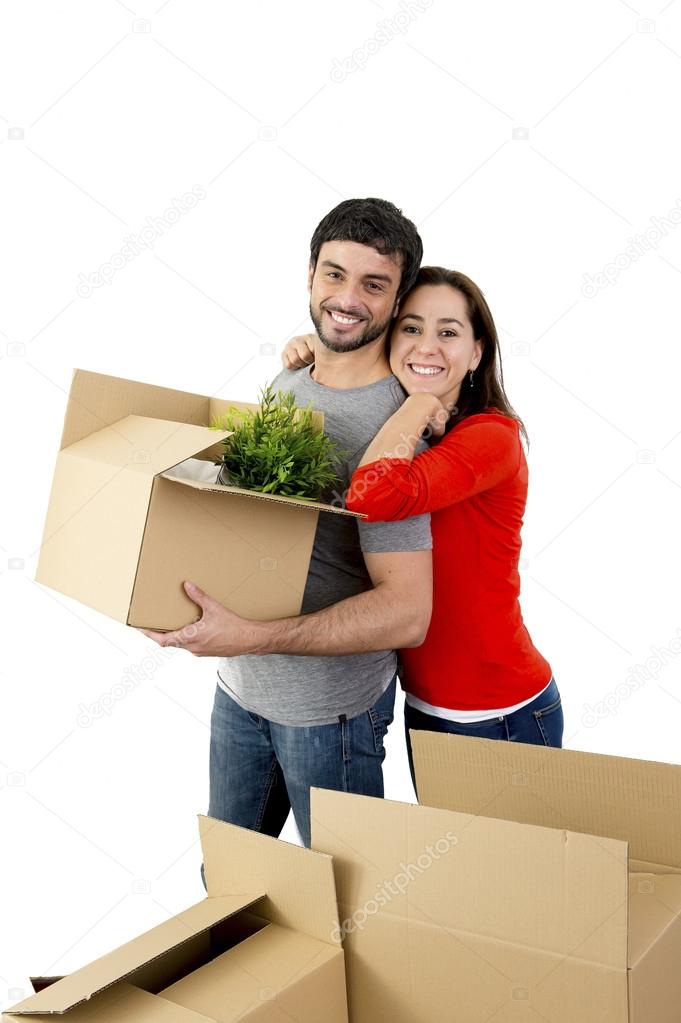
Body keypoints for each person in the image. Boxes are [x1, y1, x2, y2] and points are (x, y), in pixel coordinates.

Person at [140, 198, 433, 853]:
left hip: (327, 718)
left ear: (399, 300)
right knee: (231, 887)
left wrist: (251, 633)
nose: (347, 299)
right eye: (334, 275)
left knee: (345, 905)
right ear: (308, 275)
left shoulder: (395, 425)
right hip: (239, 691)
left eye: (373, 284)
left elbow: (407, 612)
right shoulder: (291, 375)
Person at [284, 266, 562, 795]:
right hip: (424, 705)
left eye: (449, 332)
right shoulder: (423, 429)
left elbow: (374, 496)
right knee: (458, 875)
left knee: (512, 877)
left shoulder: (492, 438)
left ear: (478, 353)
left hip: (501, 713)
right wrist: (319, 351)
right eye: (411, 328)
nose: (426, 346)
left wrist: (416, 402)